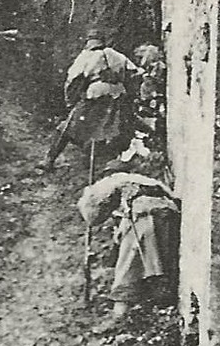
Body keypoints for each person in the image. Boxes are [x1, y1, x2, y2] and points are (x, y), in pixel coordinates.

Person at [78, 173, 180, 328]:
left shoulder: (108, 190)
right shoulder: (126, 182)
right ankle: (153, 305)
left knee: (128, 265)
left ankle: (120, 313)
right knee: (151, 262)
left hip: (149, 215)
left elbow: (107, 211)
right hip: (165, 213)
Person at [43, 28, 143, 172]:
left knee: (67, 127)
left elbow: (72, 79)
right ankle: (106, 164)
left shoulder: (86, 56)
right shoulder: (115, 54)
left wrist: (70, 101)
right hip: (118, 95)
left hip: (96, 94)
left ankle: (49, 160)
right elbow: (136, 72)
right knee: (108, 129)